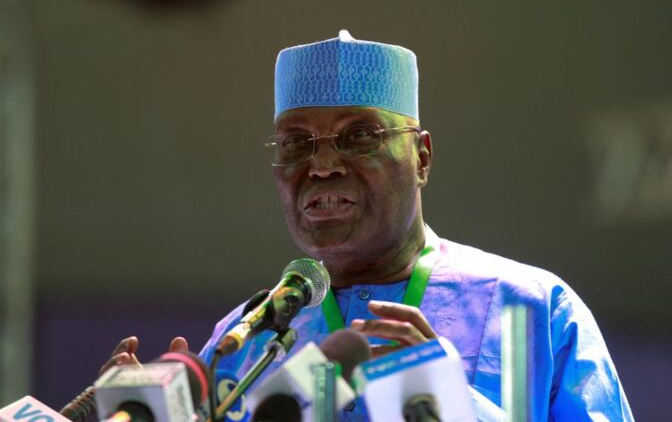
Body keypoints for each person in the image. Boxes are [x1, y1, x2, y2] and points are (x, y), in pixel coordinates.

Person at [104, 30, 634, 421]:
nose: (323, 165)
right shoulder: (240, 342)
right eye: (296, 143)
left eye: (359, 136)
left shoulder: (531, 309)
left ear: (422, 158)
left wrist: (449, 404)